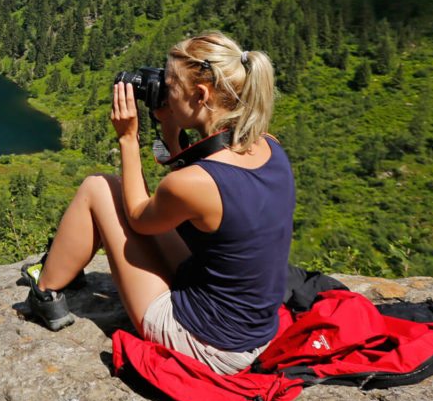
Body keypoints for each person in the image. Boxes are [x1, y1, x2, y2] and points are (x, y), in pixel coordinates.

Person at [22, 31, 295, 375]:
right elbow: (197, 195)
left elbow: (138, 217)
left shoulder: (194, 184)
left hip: (209, 344)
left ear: (201, 95)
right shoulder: (269, 146)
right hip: (254, 330)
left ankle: (45, 292)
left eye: (171, 86)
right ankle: (63, 271)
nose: (165, 93)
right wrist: (170, 131)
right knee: (125, 197)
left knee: (99, 187)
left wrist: (127, 138)